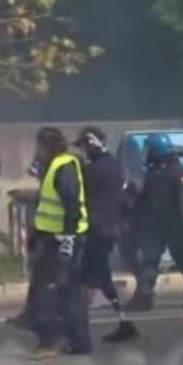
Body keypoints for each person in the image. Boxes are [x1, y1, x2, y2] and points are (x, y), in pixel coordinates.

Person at [28, 127, 92, 360]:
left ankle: (52, 340)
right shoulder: (56, 166)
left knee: (51, 290)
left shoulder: (63, 167)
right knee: (68, 290)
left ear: (47, 146)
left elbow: (72, 204)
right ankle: (78, 340)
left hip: (63, 239)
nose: (37, 151)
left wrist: (67, 239)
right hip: (54, 237)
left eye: (39, 146)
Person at [74, 127, 137, 343]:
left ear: (92, 144)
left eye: (84, 146)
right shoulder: (117, 166)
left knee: (88, 276)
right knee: (97, 276)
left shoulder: (91, 171)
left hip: (95, 230)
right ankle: (120, 321)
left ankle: (79, 327)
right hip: (111, 229)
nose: (83, 151)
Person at [125, 133, 183, 312]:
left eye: (149, 150)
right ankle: (143, 297)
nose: (147, 153)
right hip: (154, 226)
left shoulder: (177, 171)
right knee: (149, 262)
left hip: (175, 226)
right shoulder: (154, 172)